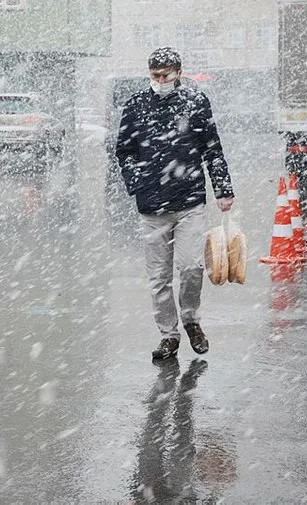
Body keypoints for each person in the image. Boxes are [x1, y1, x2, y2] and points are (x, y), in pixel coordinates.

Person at [114, 47, 235, 361]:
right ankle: (168, 335)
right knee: (158, 278)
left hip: (188, 200)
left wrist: (223, 189)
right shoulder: (136, 105)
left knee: (191, 267)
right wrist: (137, 180)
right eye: (154, 75)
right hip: (151, 206)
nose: (160, 80)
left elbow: (212, 148)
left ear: (178, 72)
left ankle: (191, 319)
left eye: (165, 75)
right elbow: (123, 151)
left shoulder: (196, 102)